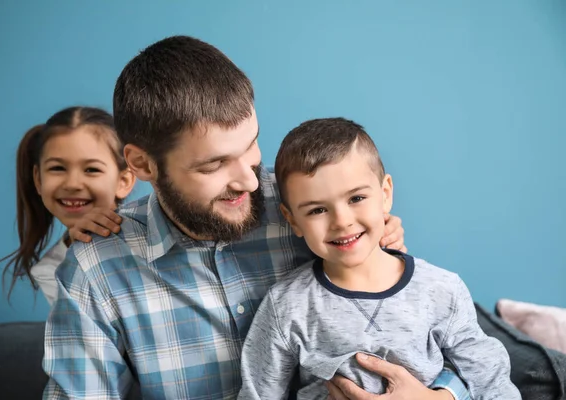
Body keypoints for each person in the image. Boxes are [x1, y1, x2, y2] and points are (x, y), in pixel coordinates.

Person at [42, 36, 469, 400]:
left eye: (251, 145)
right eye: (213, 165)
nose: (248, 180)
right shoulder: (96, 274)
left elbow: (439, 334)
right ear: (143, 165)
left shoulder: (309, 208)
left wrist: (442, 396)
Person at [237, 117, 521, 399]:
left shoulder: (442, 290)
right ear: (293, 220)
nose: (342, 221)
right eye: (317, 210)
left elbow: (492, 382)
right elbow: (258, 394)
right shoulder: (286, 306)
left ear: (385, 194)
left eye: (356, 198)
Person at [0, 106, 135, 304]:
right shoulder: (52, 270)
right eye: (57, 168)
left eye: (91, 169)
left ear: (123, 181)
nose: (72, 184)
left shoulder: (155, 231)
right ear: (38, 179)